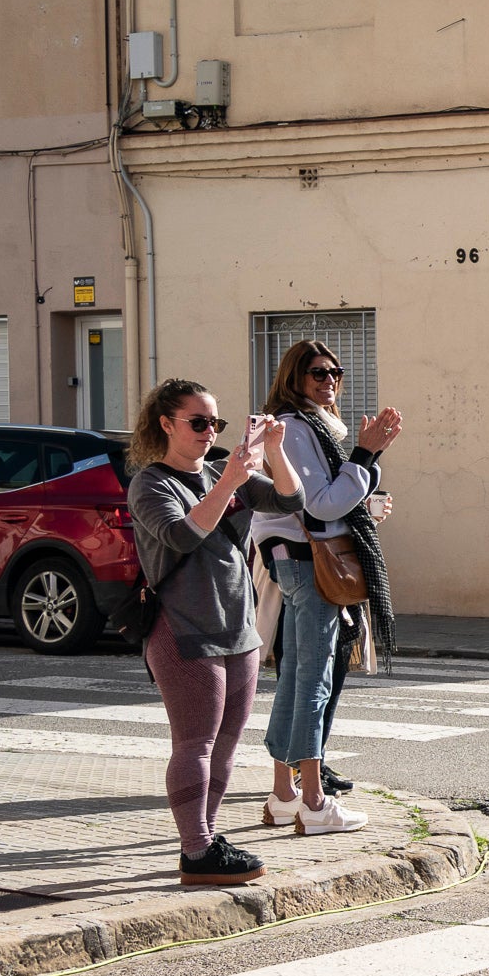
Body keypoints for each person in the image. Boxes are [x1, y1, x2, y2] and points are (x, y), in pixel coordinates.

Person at [127, 379, 304, 885]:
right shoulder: (151, 484)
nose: (210, 432)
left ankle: (207, 838)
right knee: (195, 743)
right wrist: (227, 482)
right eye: (199, 422)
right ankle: (196, 851)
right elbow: (181, 535)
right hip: (184, 627)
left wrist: (274, 451)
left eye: (216, 423)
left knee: (225, 744)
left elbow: (291, 501)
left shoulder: (224, 470)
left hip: (237, 625)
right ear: (166, 424)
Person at [251, 340, 402, 834]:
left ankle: (282, 795)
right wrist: (366, 454)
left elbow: (333, 499)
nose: (329, 381)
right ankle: (314, 802)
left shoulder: (312, 426)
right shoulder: (295, 428)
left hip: (299, 562)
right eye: (317, 373)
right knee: (312, 680)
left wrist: (365, 464)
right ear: (294, 378)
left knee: (297, 677)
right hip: (306, 564)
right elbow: (321, 505)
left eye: (335, 372)